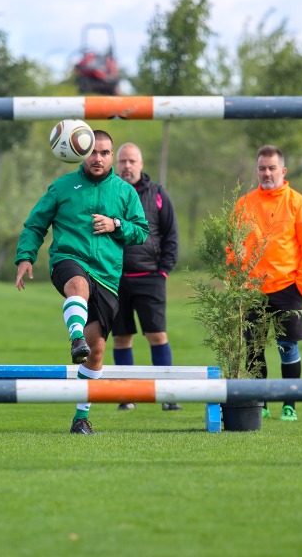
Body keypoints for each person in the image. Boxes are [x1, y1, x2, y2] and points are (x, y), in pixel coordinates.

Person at [15, 130, 149, 435]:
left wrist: (116, 225)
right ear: (80, 153)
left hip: (107, 274)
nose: (98, 158)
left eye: (104, 153)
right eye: (92, 152)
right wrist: (25, 257)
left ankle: (80, 418)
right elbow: (35, 224)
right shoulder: (62, 186)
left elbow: (141, 231)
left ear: (112, 156)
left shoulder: (125, 192)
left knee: (97, 350)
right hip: (68, 259)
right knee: (78, 285)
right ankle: (76, 337)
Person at [237, 144, 302, 422]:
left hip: (288, 287)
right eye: (262, 168)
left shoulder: (298, 203)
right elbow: (232, 246)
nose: (267, 173)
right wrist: (236, 279)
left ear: (283, 171)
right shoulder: (244, 204)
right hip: (252, 289)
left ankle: (289, 404)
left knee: (288, 348)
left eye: (272, 168)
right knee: (254, 350)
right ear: (257, 171)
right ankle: (260, 402)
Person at [112, 142, 181, 412]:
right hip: (115, 279)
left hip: (150, 277)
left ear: (141, 164)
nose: (127, 166)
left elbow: (171, 236)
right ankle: (126, 395)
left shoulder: (158, 194)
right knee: (121, 337)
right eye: (122, 161)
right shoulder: (109, 191)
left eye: (132, 161)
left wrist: (163, 270)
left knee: (157, 334)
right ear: (117, 165)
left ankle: (168, 395)